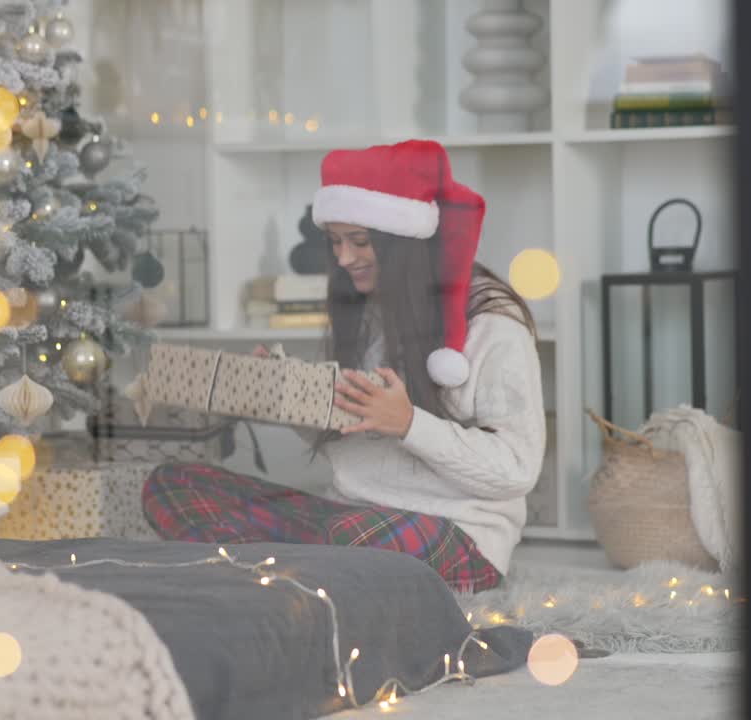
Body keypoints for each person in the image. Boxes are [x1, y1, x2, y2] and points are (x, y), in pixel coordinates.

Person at [142, 140, 546, 592]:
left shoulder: (492, 327)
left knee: (353, 537)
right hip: (347, 517)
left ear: (403, 243)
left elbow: (516, 470)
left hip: (453, 534)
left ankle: (281, 573)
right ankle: (308, 575)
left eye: (359, 241)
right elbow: (344, 429)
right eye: (335, 241)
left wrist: (410, 424)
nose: (343, 258)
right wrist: (281, 394)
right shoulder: (370, 309)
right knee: (172, 483)